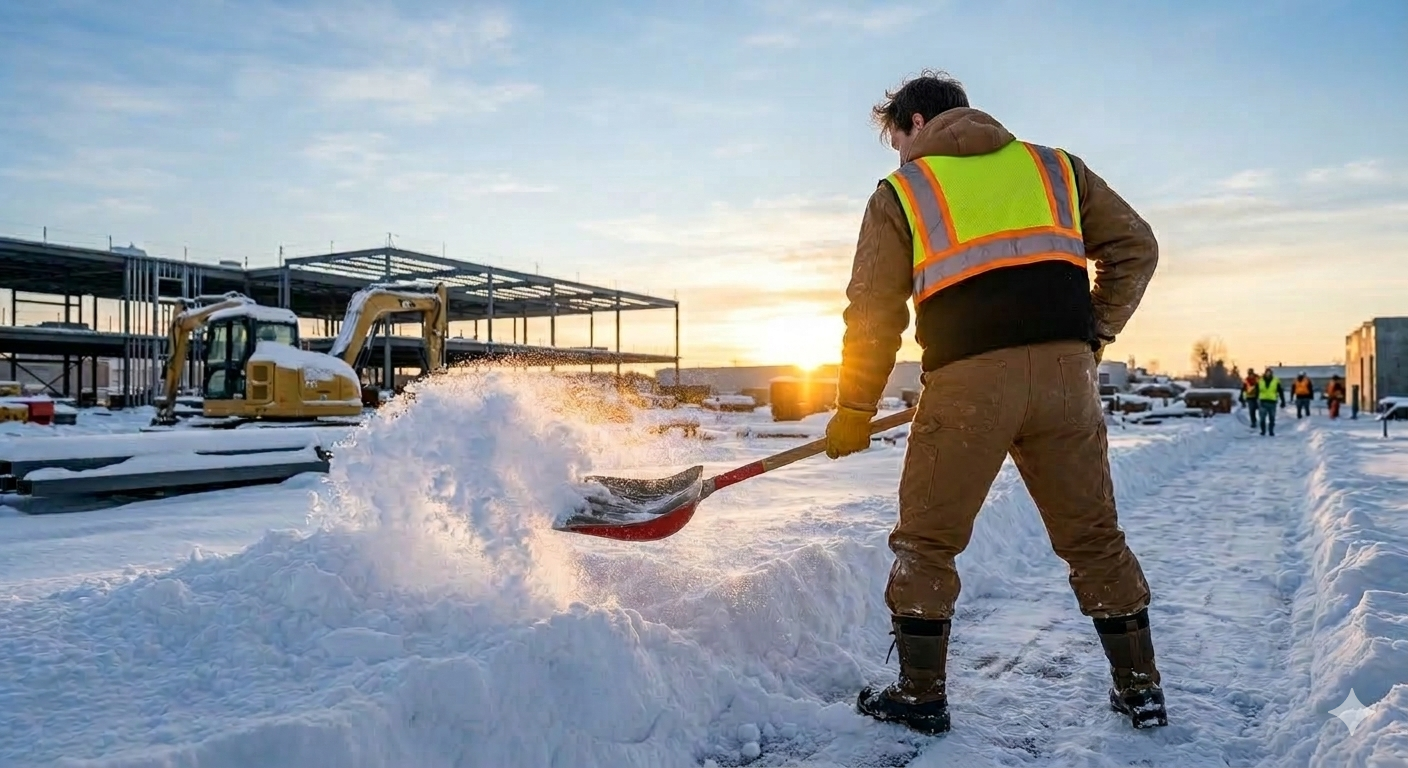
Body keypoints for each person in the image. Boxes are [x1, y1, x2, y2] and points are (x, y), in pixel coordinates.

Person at [823, 70, 1165, 735]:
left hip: (967, 386)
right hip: (1068, 383)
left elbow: (872, 312)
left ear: (916, 123)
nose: (897, 154)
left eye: (896, 138)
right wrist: (1093, 334)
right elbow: (1137, 247)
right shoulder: (1055, 169)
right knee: (1094, 538)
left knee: (927, 541)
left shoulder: (904, 191)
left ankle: (920, 696)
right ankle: (1140, 689)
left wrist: (855, 406)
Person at [1257, 367, 1286, 436]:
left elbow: (1280, 391)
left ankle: (1271, 431)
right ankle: (1263, 431)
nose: (1268, 374)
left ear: (1271, 373)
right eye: (1267, 372)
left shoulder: (1276, 381)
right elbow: (1256, 391)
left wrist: (1283, 401)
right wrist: (1255, 400)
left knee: (1272, 418)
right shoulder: (1260, 381)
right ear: (1265, 373)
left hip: (1272, 402)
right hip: (1263, 402)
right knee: (1262, 418)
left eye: (1269, 373)